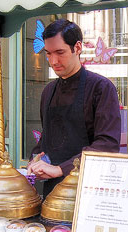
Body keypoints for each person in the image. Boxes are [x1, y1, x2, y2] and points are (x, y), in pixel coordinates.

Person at [27, 19, 121, 197]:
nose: (53, 61)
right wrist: (36, 159)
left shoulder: (101, 88)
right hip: (53, 191)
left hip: (89, 189)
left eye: (60, 52)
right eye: (48, 54)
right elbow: (47, 139)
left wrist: (60, 169)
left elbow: (107, 145)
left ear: (77, 48)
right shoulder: (48, 91)